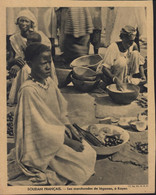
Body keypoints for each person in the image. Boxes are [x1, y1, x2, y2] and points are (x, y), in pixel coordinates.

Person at [7, 43, 96, 186]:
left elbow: (60, 110)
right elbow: (37, 128)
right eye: (43, 63)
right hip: (40, 143)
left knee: (89, 153)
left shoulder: (49, 82)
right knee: (79, 166)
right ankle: (49, 174)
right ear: (30, 64)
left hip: (55, 135)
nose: (48, 67)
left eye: (50, 62)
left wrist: (70, 128)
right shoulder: (29, 90)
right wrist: (67, 142)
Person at [7, 9, 58, 105]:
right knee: (25, 68)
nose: (23, 23)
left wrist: (25, 62)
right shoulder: (13, 39)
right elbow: (10, 59)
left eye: (26, 21)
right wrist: (15, 62)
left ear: (31, 23)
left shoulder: (39, 36)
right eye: (21, 20)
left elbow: (46, 54)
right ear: (17, 22)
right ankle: (25, 97)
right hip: (22, 63)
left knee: (27, 68)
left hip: (39, 61)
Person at [96, 25, 146, 91]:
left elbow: (140, 62)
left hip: (124, 75)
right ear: (122, 38)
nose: (130, 44)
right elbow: (105, 68)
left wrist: (143, 76)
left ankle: (127, 80)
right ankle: (115, 83)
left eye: (132, 41)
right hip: (110, 76)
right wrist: (114, 78)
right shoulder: (113, 47)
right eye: (128, 41)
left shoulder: (133, 45)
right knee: (121, 61)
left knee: (135, 54)